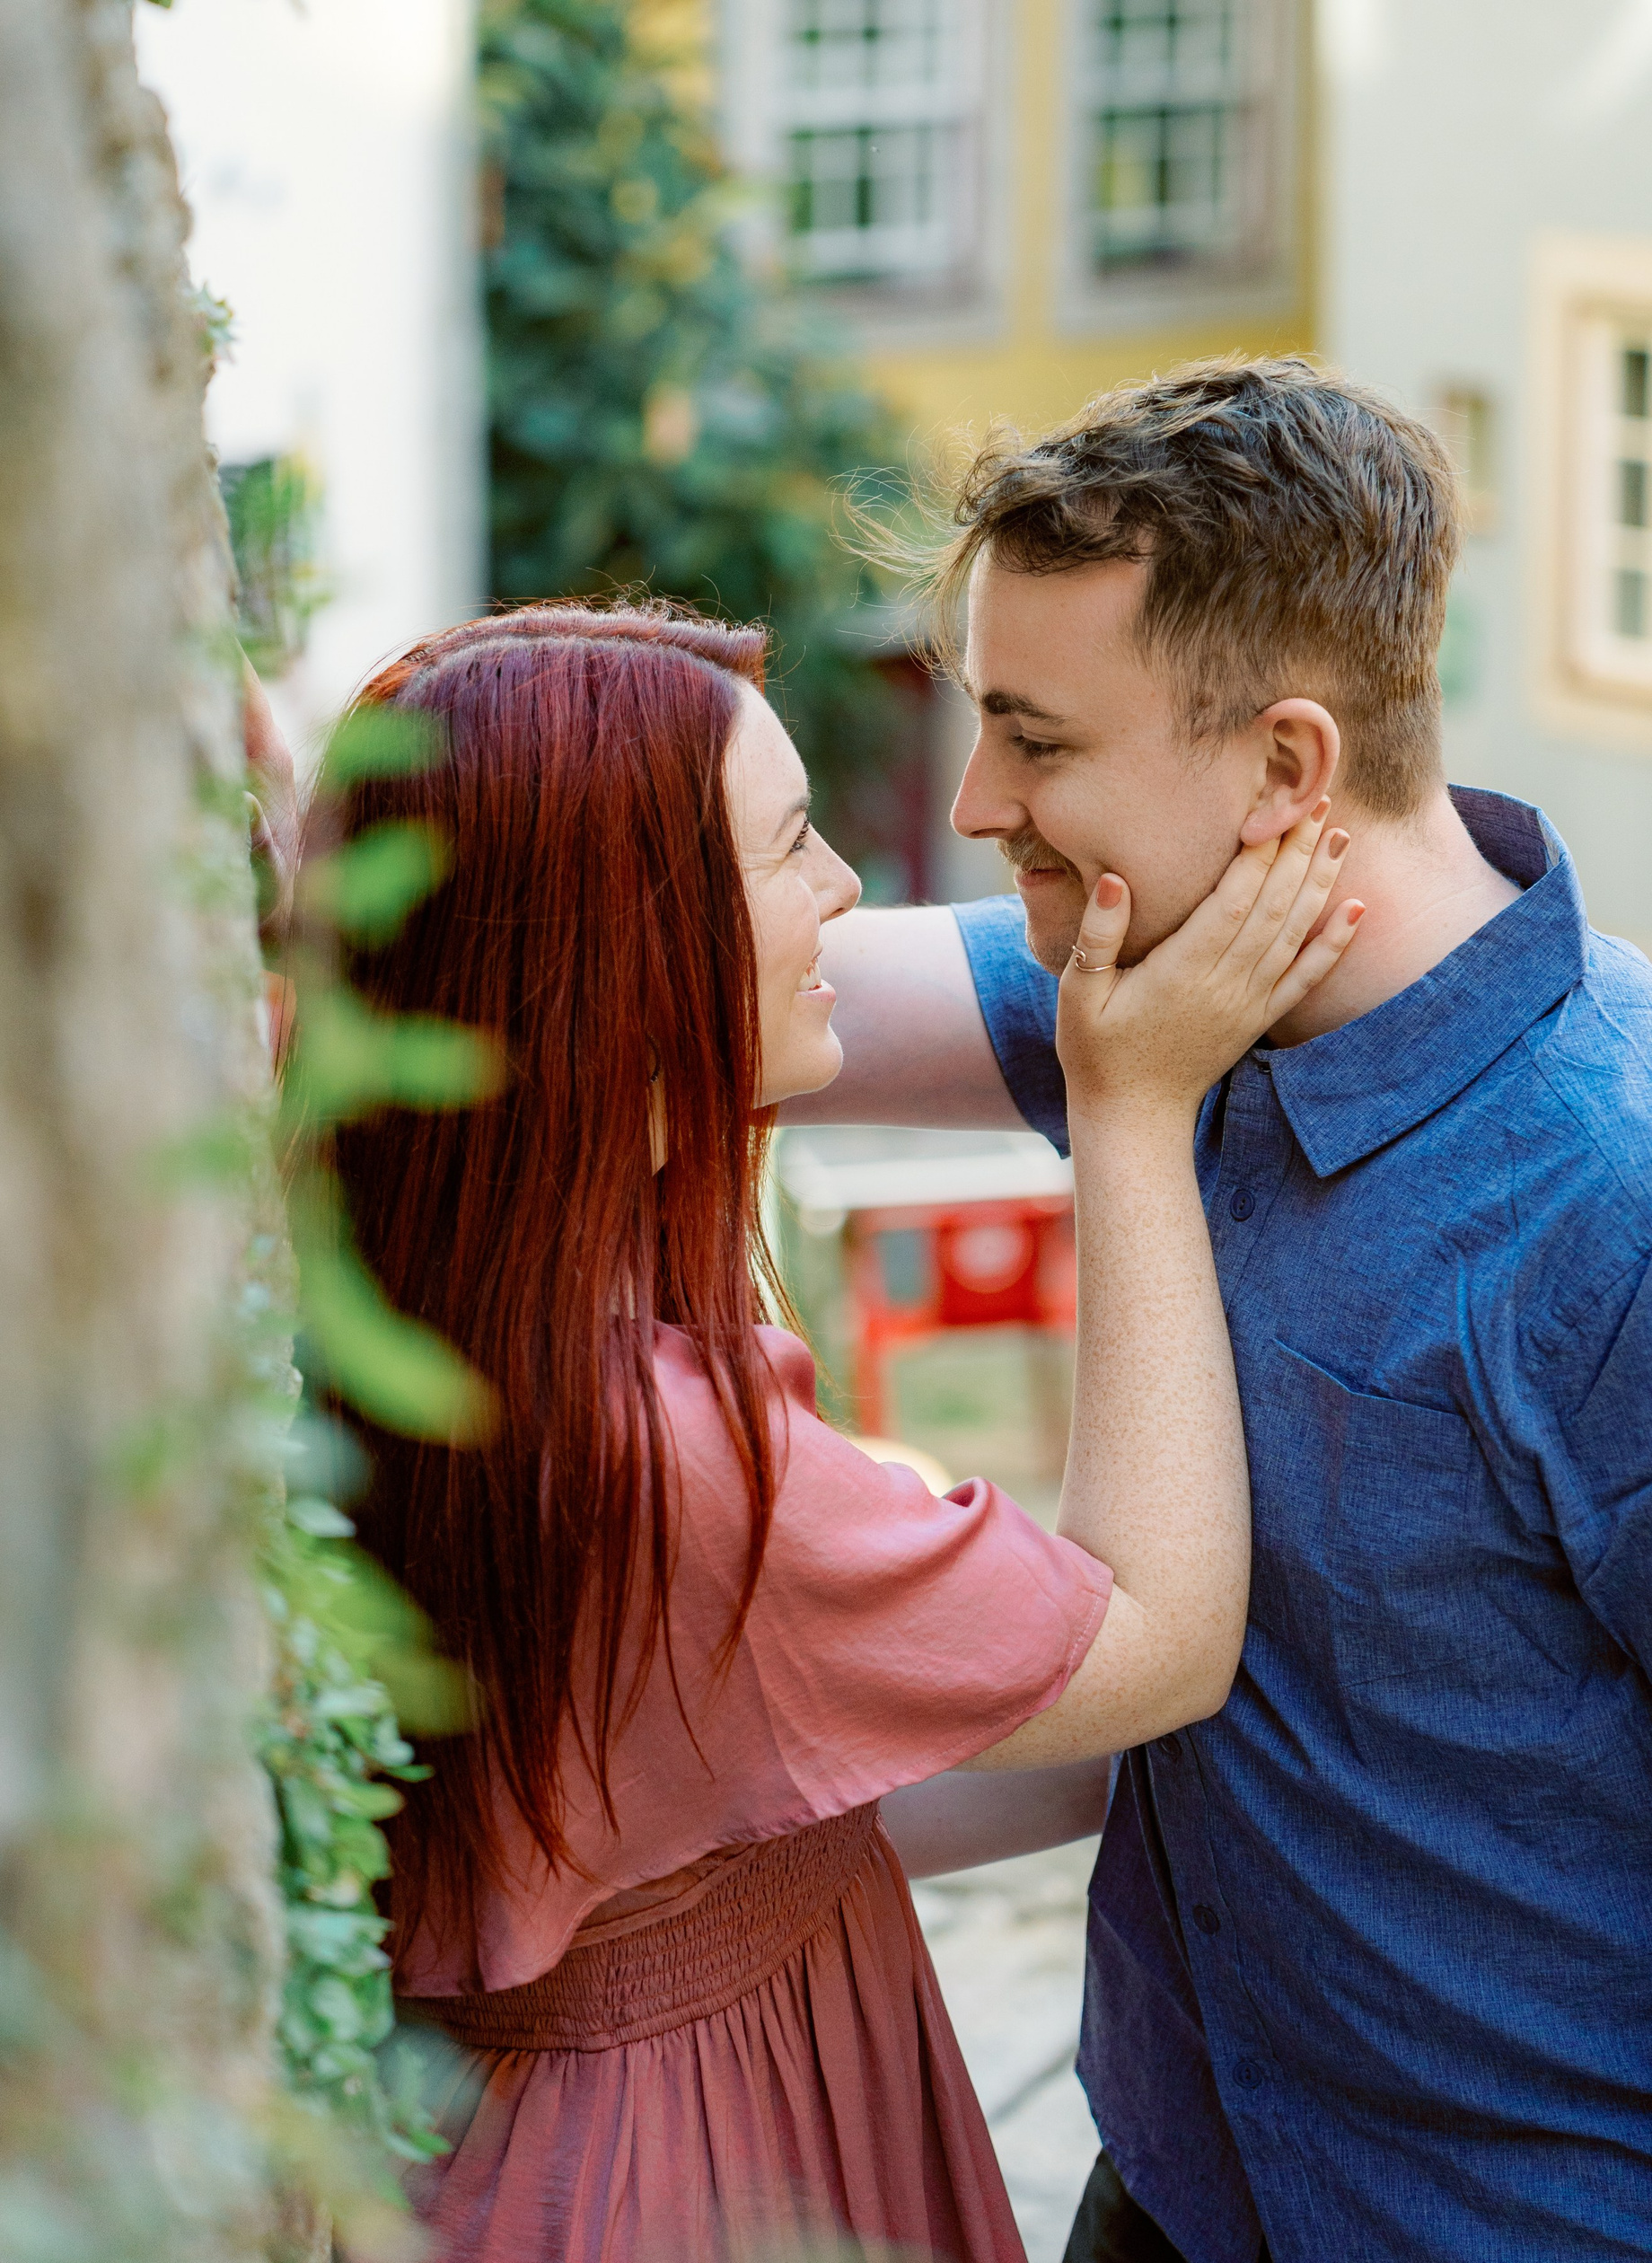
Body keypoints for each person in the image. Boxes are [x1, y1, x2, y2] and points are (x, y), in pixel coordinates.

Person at [302, 600, 1357, 2263]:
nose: (846, 889)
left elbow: (706, 1814)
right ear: (630, 950)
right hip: (680, 2177)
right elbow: (1152, 1646)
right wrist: (1134, 1107)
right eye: (790, 844)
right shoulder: (658, 1455)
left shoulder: (409, 1296)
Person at [786, 357, 1652, 2263]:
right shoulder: (1155, 990)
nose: (978, 802)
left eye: (1037, 741)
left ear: (1284, 773)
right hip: (1172, 2178)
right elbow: (738, 994)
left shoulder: (1614, 1209)